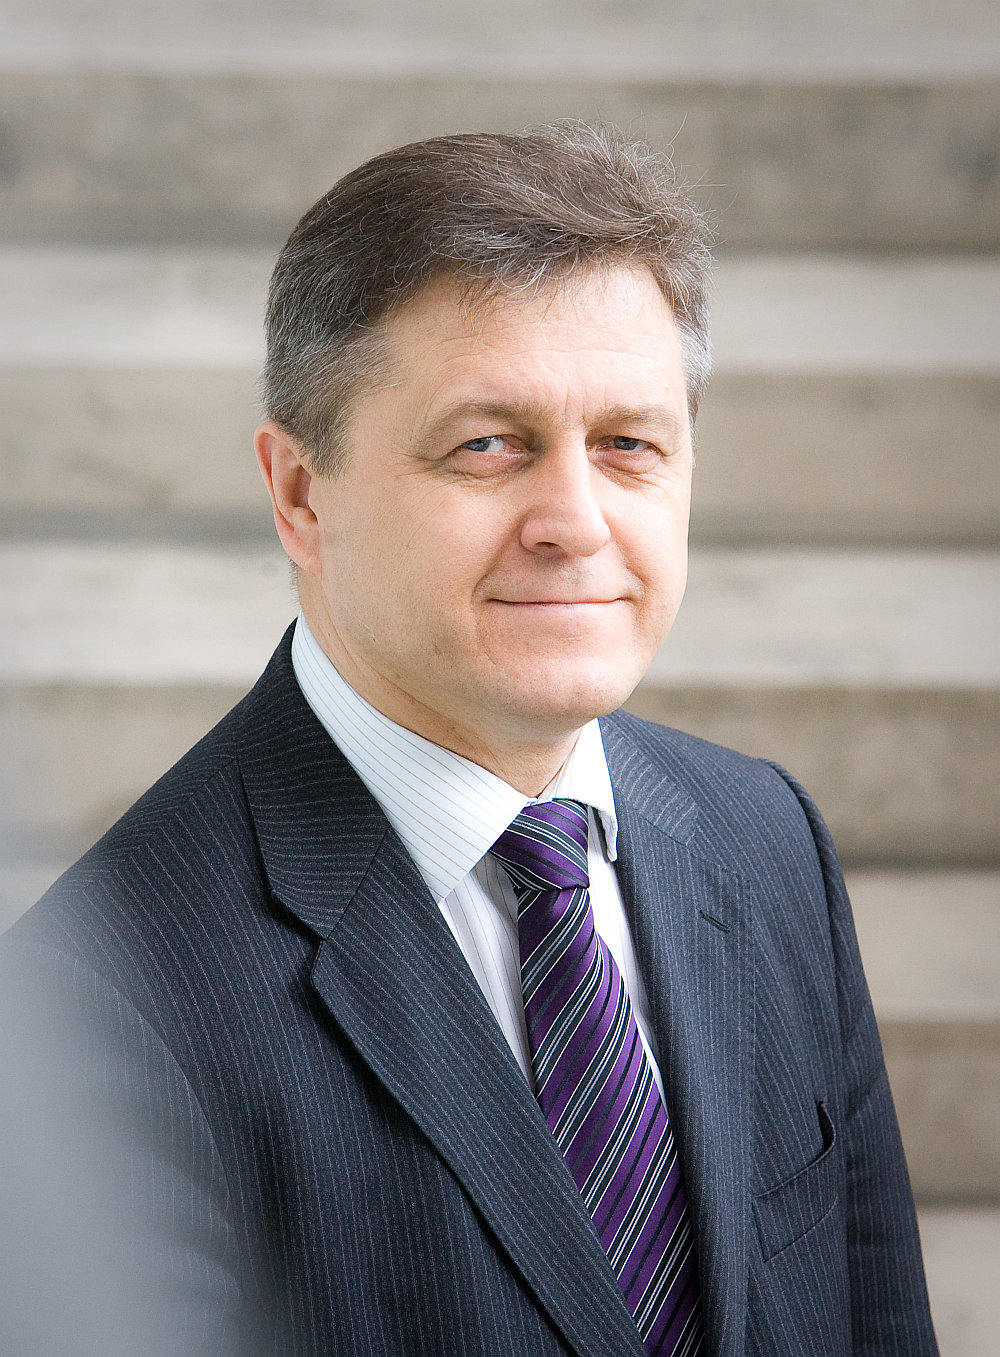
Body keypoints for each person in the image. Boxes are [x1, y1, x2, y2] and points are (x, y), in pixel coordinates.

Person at [0, 122, 937, 1356]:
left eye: (628, 444)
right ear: (300, 494)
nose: (575, 521)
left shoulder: (766, 839)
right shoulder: (91, 1007)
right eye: (487, 444)